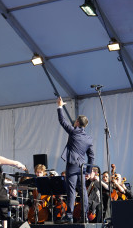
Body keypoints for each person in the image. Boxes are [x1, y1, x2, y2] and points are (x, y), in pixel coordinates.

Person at [57, 96, 95, 224]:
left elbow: (62, 121)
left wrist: (60, 106)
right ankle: (84, 215)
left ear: (78, 123)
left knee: (71, 190)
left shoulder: (74, 132)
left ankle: (69, 215)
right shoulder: (89, 139)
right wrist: (89, 171)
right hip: (82, 166)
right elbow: (92, 156)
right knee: (82, 191)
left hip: (73, 165)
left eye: (75, 121)